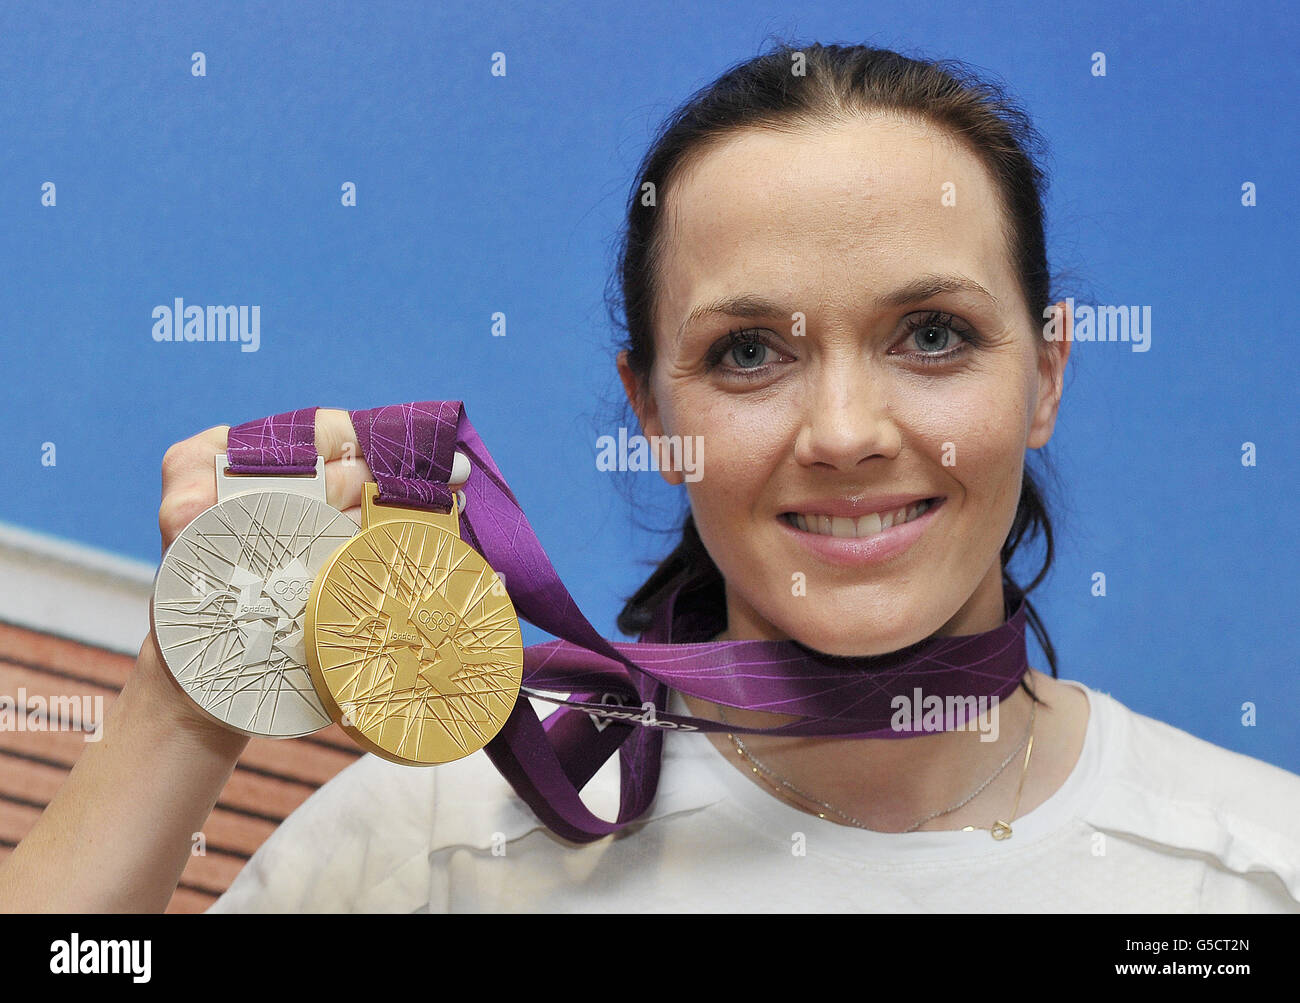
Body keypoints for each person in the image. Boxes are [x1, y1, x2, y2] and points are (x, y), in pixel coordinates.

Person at [2, 41, 1296, 914]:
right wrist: (187, 689)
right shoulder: (432, 845)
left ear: (1048, 372)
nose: (846, 431)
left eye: (933, 335)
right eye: (749, 353)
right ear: (652, 409)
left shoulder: (1252, 871)